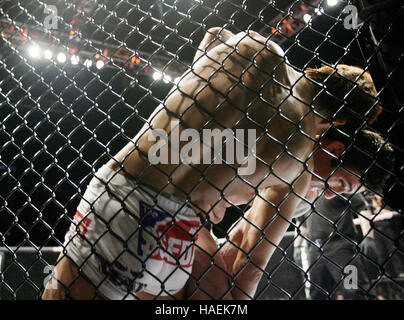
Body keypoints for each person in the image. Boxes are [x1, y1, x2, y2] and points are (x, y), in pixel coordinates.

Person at [41, 28, 393, 300]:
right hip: (176, 230)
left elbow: (214, 36)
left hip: (118, 187)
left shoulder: (254, 48)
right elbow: (249, 271)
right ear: (340, 123)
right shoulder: (299, 157)